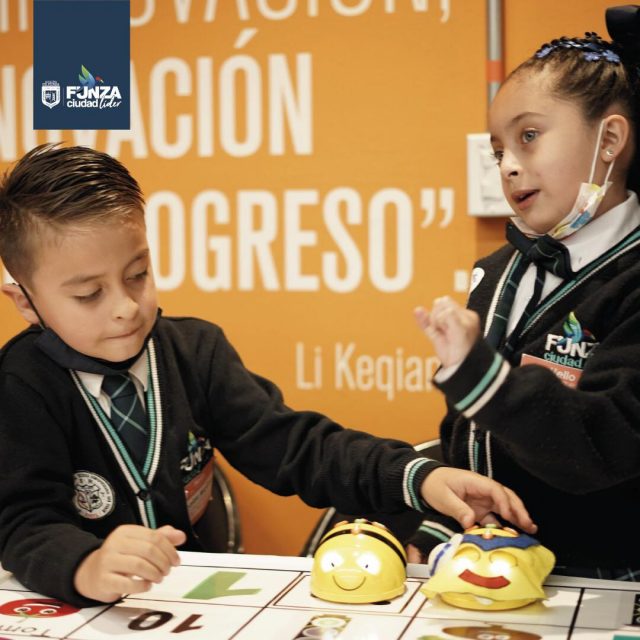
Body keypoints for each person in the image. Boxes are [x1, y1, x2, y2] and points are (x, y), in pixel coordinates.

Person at [0, 144, 536, 607]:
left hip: (179, 604)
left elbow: (297, 447)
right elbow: (23, 523)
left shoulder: (194, 350)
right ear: (25, 301)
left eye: (138, 274)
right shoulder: (21, 383)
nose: (125, 307)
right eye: (88, 294)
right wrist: (85, 565)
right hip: (76, 609)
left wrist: (418, 476)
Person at [414, 6, 640, 579]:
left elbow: (600, 445)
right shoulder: (497, 269)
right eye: (498, 151)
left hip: (600, 582)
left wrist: (482, 378)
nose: (509, 166)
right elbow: (470, 437)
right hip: (493, 572)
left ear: (609, 140)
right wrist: (444, 527)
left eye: (530, 137)